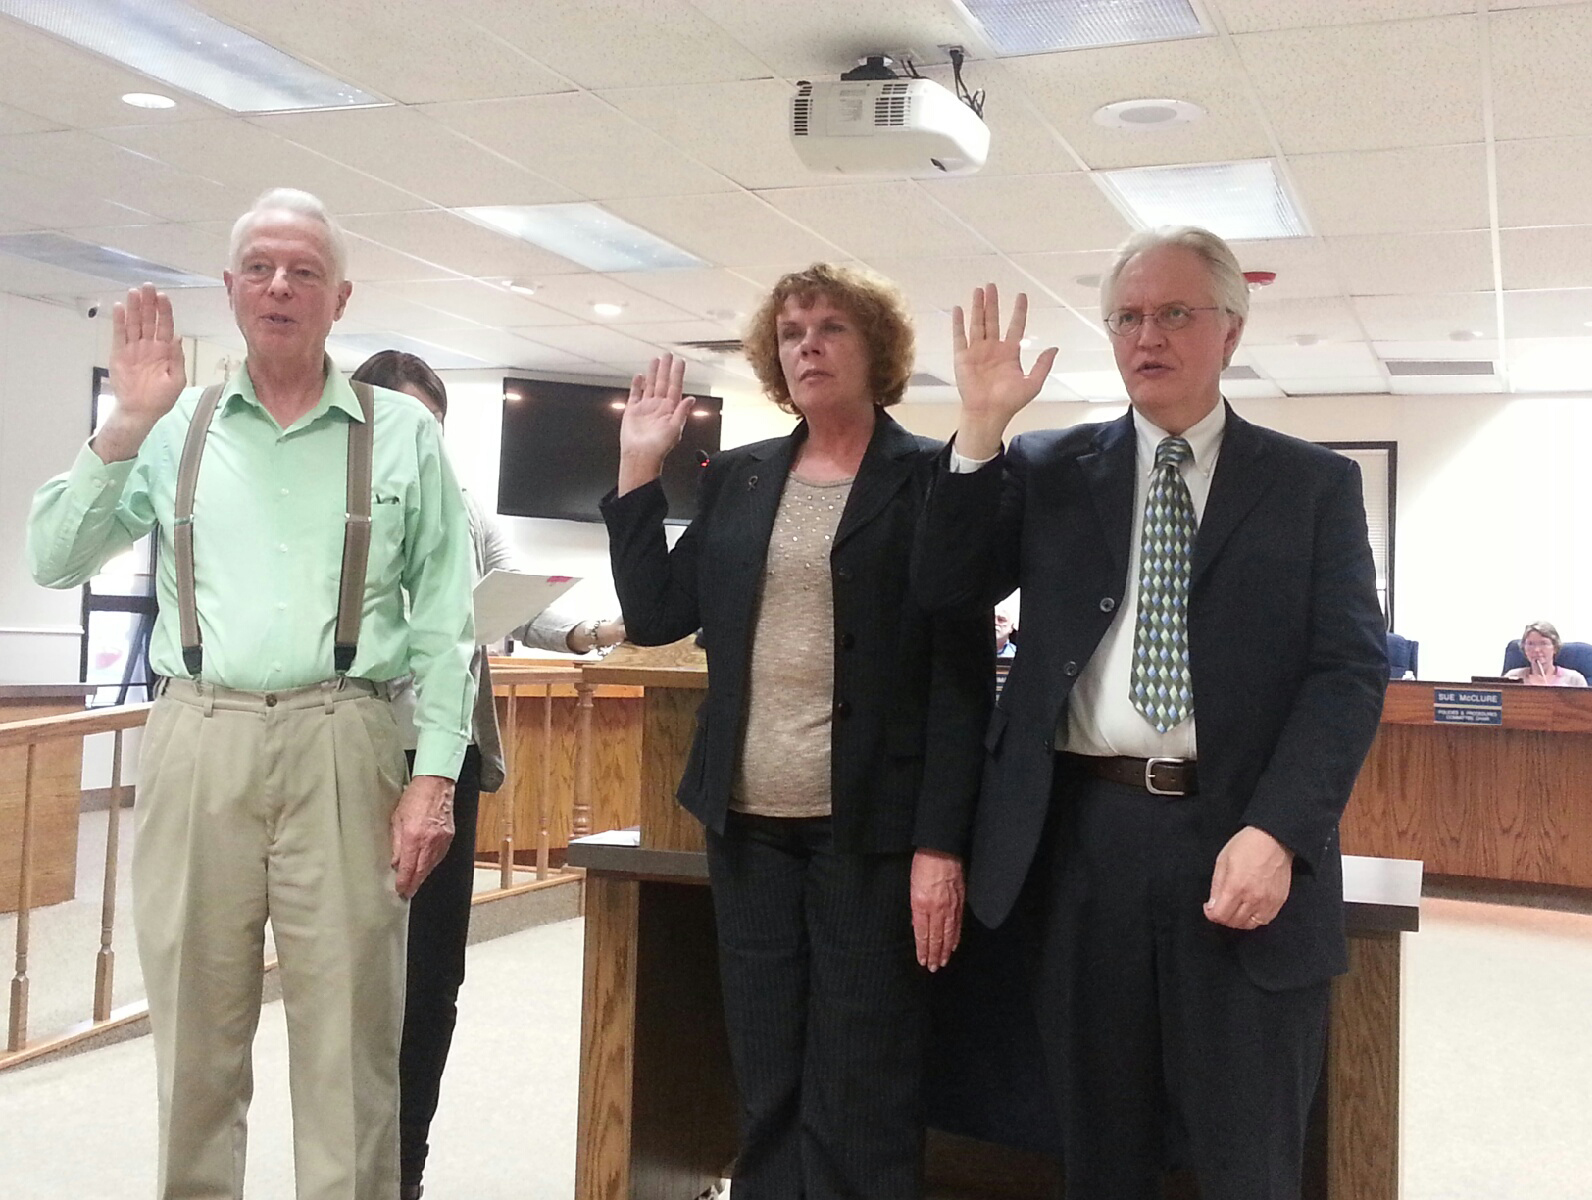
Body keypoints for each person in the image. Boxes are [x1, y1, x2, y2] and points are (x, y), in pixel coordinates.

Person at [913, 227, 1389, 1199]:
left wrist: (1279, 830)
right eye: (1127, 317)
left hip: (1240, 840)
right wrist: (976, 434)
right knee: (1100, 1139)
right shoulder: (1048, 466)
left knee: (1246, 1143)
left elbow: (1345, 670)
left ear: (1230, 328)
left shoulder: (1311, 485)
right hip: (1083, 841)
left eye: (1174, 312)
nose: (1148, 336)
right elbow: (944, 589)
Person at [27, 188, 476, 1200]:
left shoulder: (401, 433)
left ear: (339, 297)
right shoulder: (171, 426)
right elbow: (54, 555)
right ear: (231, 289)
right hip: (199, 738)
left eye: (304, 271)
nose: (281, 286)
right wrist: (124, 421)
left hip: (344, 736)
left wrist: (433, 779)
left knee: (350, 1050)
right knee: (194, 1038)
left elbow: (449, 622)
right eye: (261, 268)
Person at [601, 264, 991, 1199]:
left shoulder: (932, 478)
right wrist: (639, 469)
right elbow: (656, 613)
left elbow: (960, 679)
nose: (806, 344)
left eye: (829, 328)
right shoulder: (739, 477)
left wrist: (941, 842)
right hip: (749, 826)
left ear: (876, 350)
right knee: (767, 1066)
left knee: (865, 1071)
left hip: (871, 828)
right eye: (790, 333)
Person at [348, 350, 624, 1200]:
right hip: (356, 751)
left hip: (451, 757)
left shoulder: (464, 506)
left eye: (431, 425)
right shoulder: (334, 503)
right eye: (401, 420)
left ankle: (404, 1173)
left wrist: (585, 635)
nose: (418, 439)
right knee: (354, 975)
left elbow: (512, 596)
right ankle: (347, 1170)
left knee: (432, 980)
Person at [1505, 620, 1586, 687]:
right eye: (1530, 644)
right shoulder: (1512, 677)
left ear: (1555, 647)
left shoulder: (1574, 680)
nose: (1536, 649)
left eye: (1543, 643)